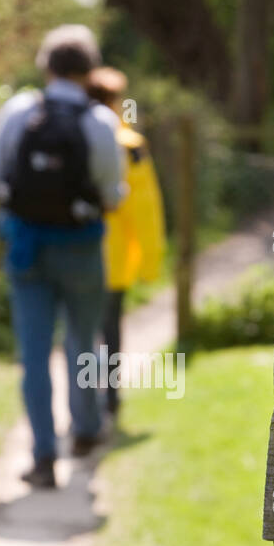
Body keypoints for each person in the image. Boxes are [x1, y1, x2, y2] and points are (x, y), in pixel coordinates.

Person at [0, 25, 127, 489]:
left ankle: (43, 457)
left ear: (46, 66)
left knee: (35, 353)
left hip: (26, 250)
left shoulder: (19, 111)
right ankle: (84, 431)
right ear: (90, 71)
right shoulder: (101, 122)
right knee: (84, 341)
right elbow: (114, 196)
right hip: (81, 249)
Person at [85, 67, 166, 419]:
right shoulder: (130, 146)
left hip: (73, 250)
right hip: (113, 256)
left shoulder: (76, 136)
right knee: (110, 327)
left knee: (80, 329)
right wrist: (150, 262)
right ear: (116, 101)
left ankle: (84, 402)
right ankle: (111, 397)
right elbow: (145, 210)